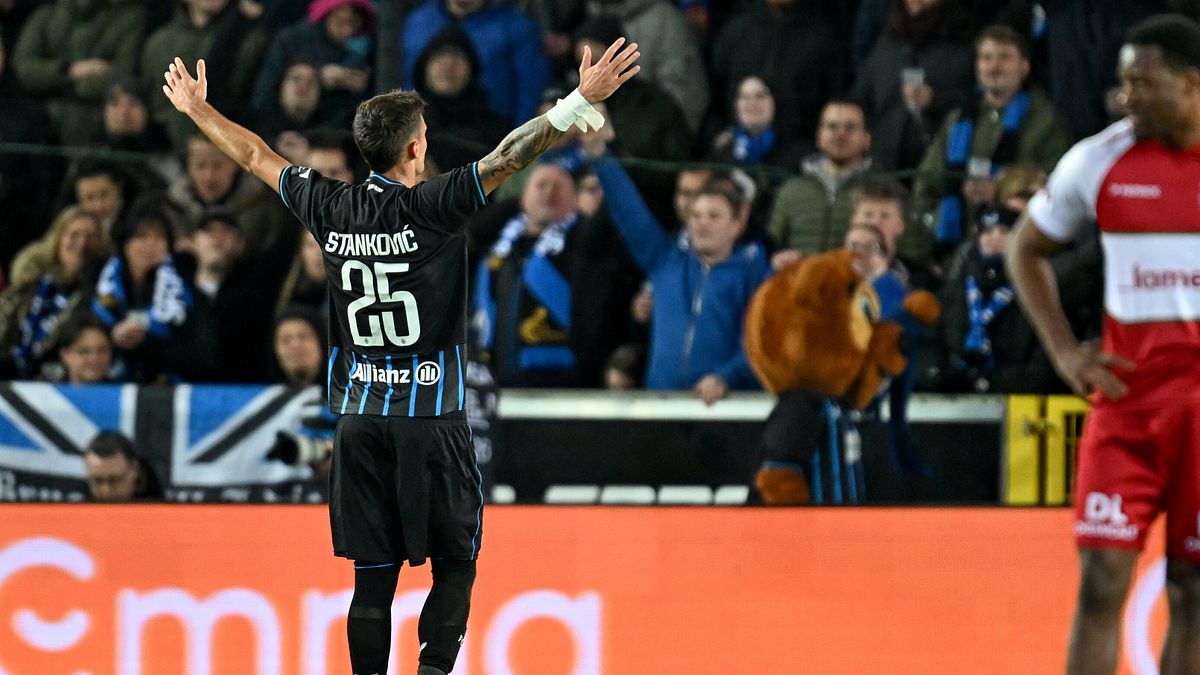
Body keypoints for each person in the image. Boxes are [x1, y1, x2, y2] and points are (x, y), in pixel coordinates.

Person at [161, 33, 639, 675]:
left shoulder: (329, 205)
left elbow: (253, 154)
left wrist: (197, 109)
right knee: (456, 563)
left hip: (359, 422)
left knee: (372, 578)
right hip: (430, 418)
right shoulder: (433, 207)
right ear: (415, 147)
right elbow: (508, 157)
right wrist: (577, 101)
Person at [1007, 15, 1200, 675]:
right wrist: (1065, 350)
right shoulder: (1099, 159)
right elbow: (1024, 249)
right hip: (1129, 407)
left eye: (1143, 83)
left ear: (1191, 84)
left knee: (1194, 592)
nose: (1126, 96)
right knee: (1100, 582)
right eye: (1124, 82)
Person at [83, 429, 162, 501]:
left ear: (135, 470)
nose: (106, 492)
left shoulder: (162, 508)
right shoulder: (79, 507)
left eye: (114, 480)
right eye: (97, 481)